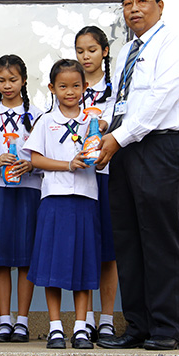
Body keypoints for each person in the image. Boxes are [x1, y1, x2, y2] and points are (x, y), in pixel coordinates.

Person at [95, 0, 179, 351]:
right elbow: (120, 97)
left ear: (160, 5)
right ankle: (137, 326)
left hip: (159, 147)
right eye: (127, 3)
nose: (134, 9)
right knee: (128, 240)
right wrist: (102, 124)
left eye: (142, 1)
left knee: (159, 238)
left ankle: (166, 329)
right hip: (124, 148)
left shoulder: (173, 43)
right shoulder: (127, 50)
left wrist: (118, 137)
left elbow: (160, 100)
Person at [23, 59, 101, 350]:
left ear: (85, 87)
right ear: (52, 88)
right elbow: (35, 159)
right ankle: (55, 327)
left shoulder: (92, 123)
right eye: (63, 86)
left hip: (86, 198)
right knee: (52, 266)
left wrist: (95, 157)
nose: (70, 92)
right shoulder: (46, 121)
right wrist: (69, 164)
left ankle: (81, 328)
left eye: (76, 86)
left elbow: (101, 158)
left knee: (84, 265)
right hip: (54, 199)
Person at [0, 54, 42, 343]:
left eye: (13, 80)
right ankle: (4, 321)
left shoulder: (38, 115)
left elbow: (46, 157)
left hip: (28, 190)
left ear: (23, 80)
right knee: (0, 258)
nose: (7, 85)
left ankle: (22, 321)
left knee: (25, 258)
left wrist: (32, 165)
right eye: (1, 80)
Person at [74, 26, 118, 341]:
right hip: (77, 178)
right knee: (84, 248)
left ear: (104, 51)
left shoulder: (115, 90)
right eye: (80, 51)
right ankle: (85, 318)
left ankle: (107, 319)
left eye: (91, 50)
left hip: (107, 175)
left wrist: (103, 125)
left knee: (108, 251)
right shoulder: (69, 86)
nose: (85, 56)